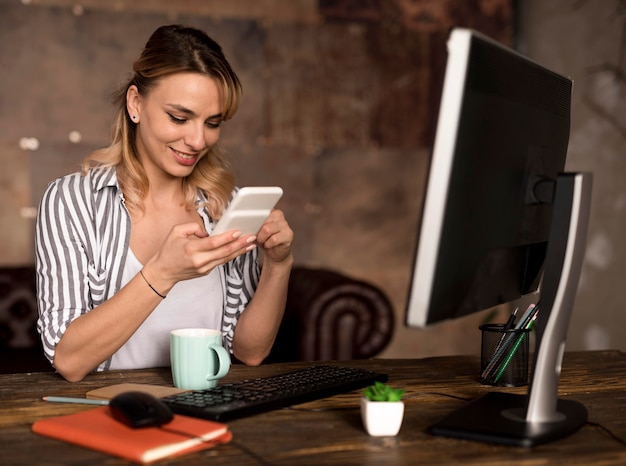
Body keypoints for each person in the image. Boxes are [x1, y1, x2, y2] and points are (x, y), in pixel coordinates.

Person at [35, 25, 294, 382]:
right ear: (135, 104)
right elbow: (69, 359)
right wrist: (163, 272)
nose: (198, 140)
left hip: (210, 410)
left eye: (213, 122)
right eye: (179, 117)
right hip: (109, 413)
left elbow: (250, 352)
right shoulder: (72, 202)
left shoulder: (225, 207)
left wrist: (278, 265)